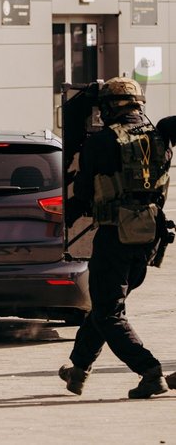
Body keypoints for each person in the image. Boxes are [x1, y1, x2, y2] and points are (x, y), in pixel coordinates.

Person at [59, 77, 171, 399]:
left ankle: (149, 372)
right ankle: (78, 370)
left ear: (107, 108)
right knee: (107, 305)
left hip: (114, 236)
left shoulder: (102, 142)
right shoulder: (160, 135)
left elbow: (81, 194)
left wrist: (62, 218)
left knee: (109, 311)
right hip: (150, 237)